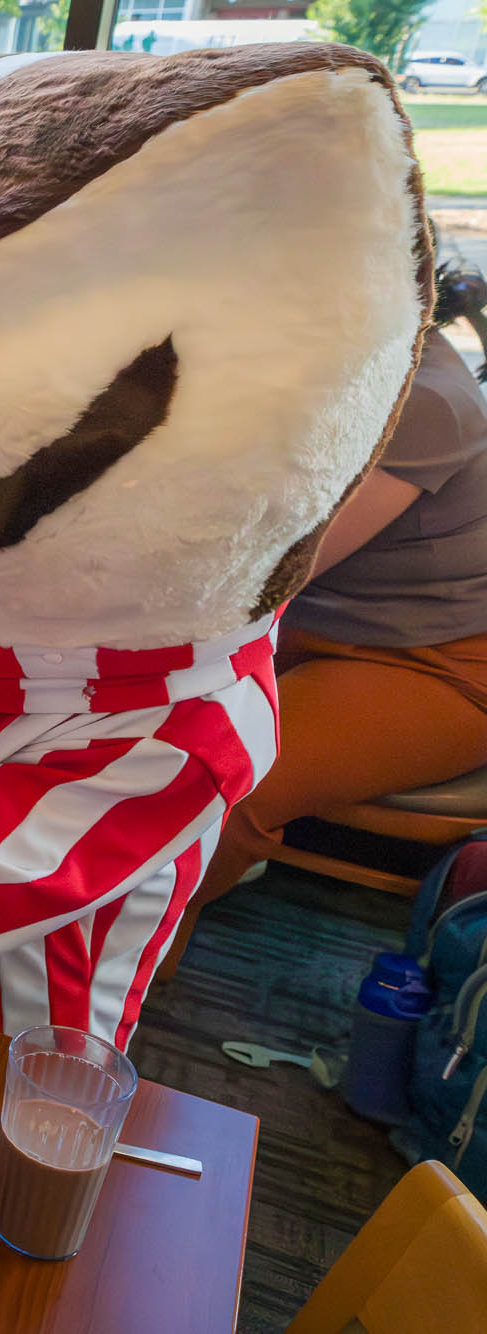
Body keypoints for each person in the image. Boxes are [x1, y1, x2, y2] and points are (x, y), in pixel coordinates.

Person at [161, 296, 487, 975]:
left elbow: (272, 567)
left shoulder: (425, 401)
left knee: (221, 782)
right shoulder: (310, 359)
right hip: (316, 619)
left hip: (435, 662)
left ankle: (115, 977)